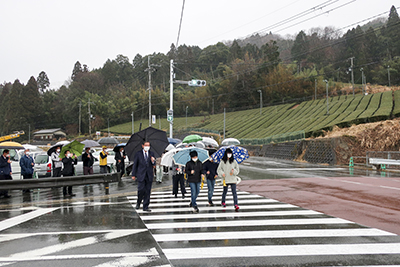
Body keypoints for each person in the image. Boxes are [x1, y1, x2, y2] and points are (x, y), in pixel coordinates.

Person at [131, 141, 155, 212]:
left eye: (148, 145)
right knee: (141, 190)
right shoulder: (138, 154)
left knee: (148, 191)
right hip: (141, 174)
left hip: (149, 175)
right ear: (143, 146)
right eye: (146, 145)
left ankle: (145, 206)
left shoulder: (151, 153)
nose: (147, 146)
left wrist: (153, 161)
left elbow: (154, 165)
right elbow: (135, 164)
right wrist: (133, 174)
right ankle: (138, 202)